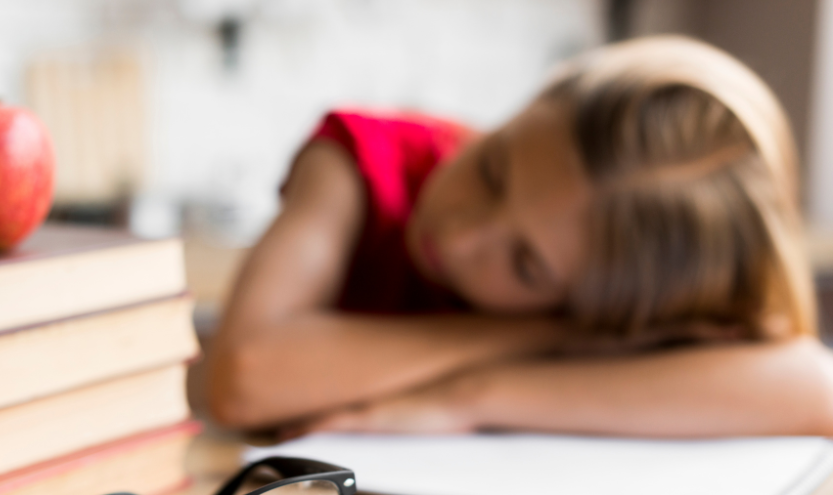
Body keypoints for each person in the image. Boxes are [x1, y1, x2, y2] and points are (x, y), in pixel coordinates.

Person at [206, 35, 833, 438]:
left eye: (527, 264)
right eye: (493, 168)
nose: (458, 236)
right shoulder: (363, 162)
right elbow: (241, 378)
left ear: (606, 302)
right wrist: (544, 332)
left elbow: (813, 389)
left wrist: (473, 396)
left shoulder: (607, 300)